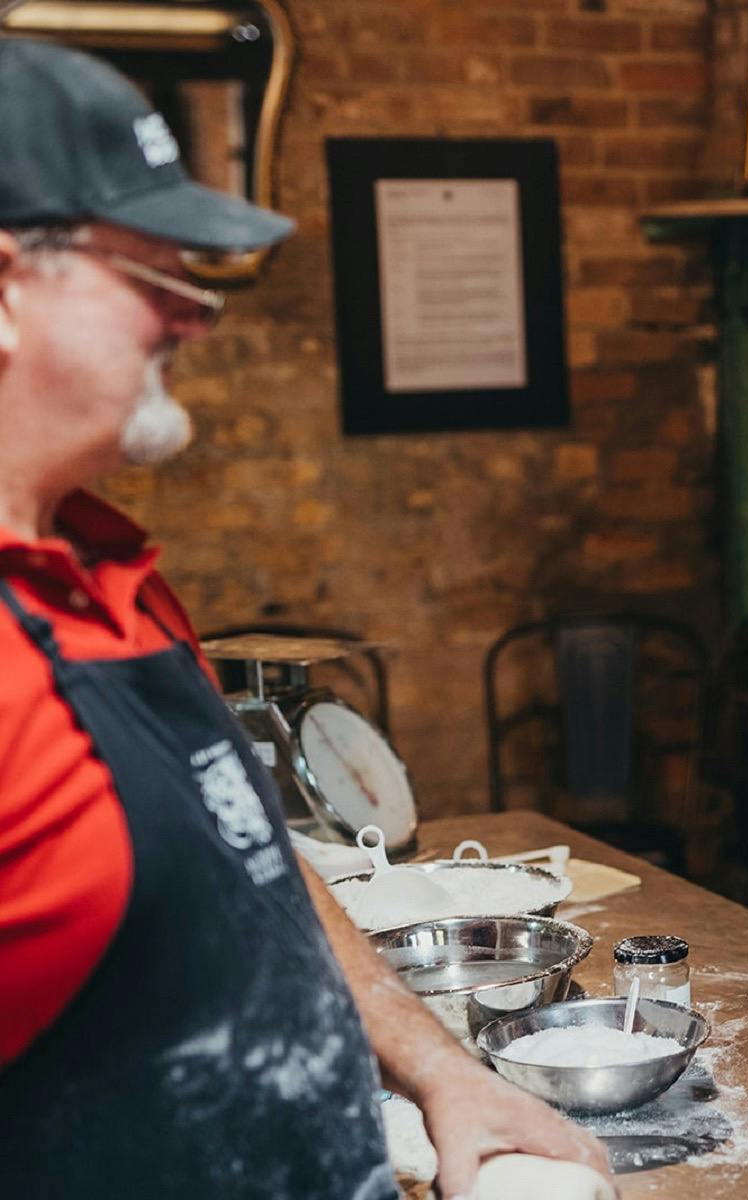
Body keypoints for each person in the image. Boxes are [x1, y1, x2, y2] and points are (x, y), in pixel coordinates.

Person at [0, 39, 610, 1197]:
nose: (197, 324)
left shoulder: (110, 565)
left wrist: (440, 1073)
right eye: (161, 284)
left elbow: (254, 861)